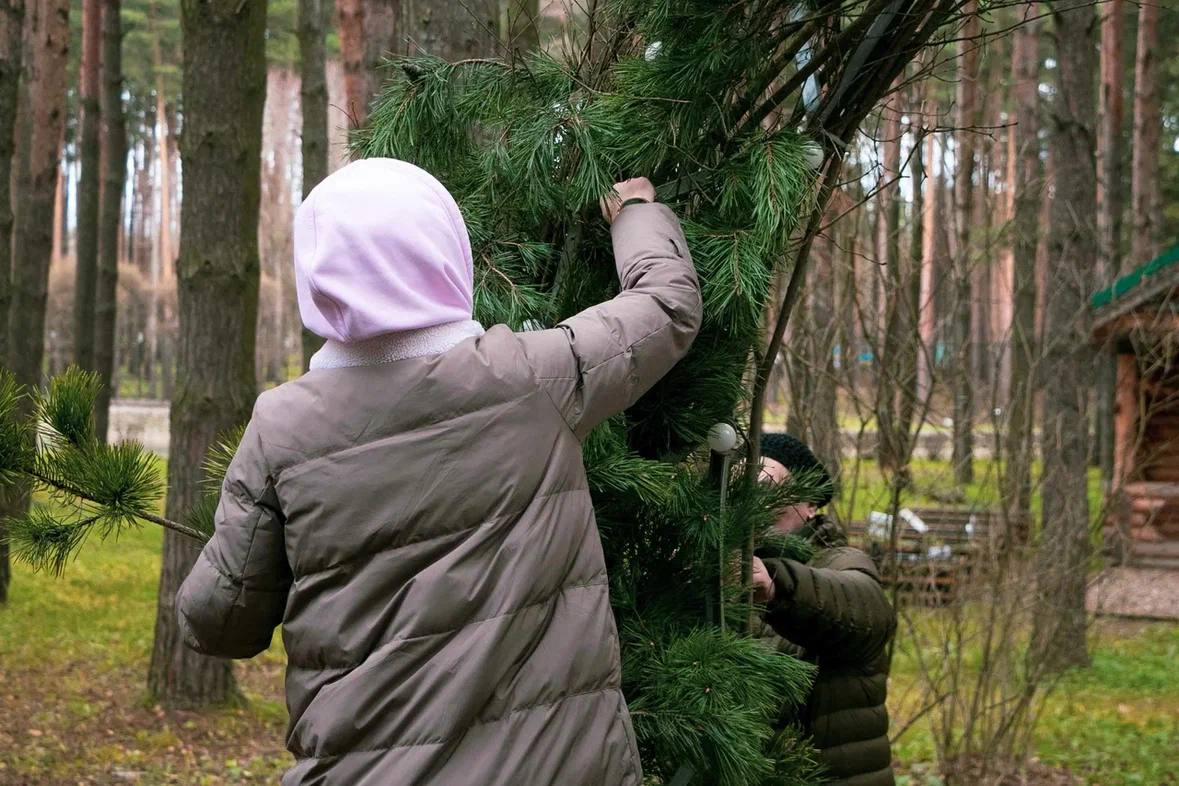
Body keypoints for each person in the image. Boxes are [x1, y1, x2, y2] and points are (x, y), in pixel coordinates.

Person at [175, 158, 702, 786]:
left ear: (314, 277)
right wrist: (636, 211)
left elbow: (218, 622)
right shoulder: (531, 377)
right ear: (448, 253)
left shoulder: (281, 429)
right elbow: (665, 308)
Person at [751, 433, 897, 786]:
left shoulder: (840, 560)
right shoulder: (723, 570)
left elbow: (868, 614)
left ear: (810, 505)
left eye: (770, 493)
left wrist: (776, 586)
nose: (755, 505)